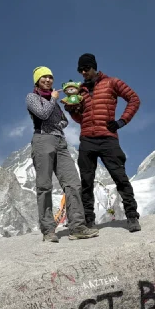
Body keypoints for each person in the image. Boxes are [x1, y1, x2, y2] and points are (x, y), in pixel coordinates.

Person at [63, 53, 142, 232]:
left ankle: (132, 216)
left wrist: (122, 121)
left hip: (108, 138)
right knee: (86, 182)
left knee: (120, 177)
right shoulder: (79, 90)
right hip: (87, 139)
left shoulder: (112, 82)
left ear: (94, 67)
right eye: (80, 70)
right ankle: (89, 221)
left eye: (86, 68)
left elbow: (134, 99)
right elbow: (81, 119)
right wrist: (72, 111)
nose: (83, 72)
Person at [26, 66, 99, 243]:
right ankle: (48, 230)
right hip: (43, 139)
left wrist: (60, 119)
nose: (48, 80)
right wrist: (52, 99)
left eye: (50, 77)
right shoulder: (32, 97)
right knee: (44, 186)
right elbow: (43, 114)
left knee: (73, 183)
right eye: (44, 77)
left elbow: (64, 121)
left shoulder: (55, 101)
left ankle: (77, 227)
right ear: (37, 81)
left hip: (60, 142)